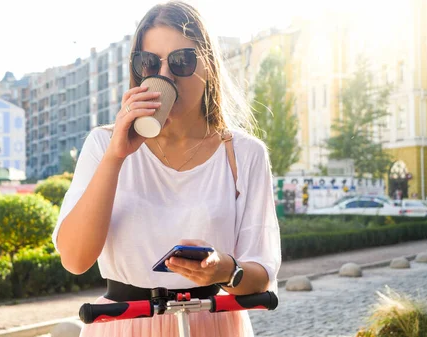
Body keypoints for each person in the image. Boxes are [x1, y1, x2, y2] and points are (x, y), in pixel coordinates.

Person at [51, 2, 281, 336]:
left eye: (182, 61)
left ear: (210, 67)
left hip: (213, 323)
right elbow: (74, 259)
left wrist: (224, 271)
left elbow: (262, 274)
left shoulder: (244, 154)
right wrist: (116, 157)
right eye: (149, 63)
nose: (166, 76)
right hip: (124, 324)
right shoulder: (104, 145)